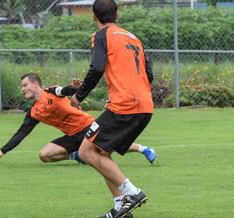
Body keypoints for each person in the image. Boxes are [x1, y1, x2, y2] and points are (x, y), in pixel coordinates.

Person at [68, 0, 155, 217]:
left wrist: (78, 97)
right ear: (117, 14)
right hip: (144, 104)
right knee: (102, 152)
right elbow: (149, 75)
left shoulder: (101, 35)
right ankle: (120, 208)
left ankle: (131, 192)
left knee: (85, 151)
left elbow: (97, 67)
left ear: (94, 16)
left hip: (126, 105)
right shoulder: (134, 38)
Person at [0, 73, 156, 169]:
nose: (22, 89)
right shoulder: (34, 111)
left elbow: (66, 90)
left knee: (108, 148)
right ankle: (76, 156)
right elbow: (22, 133)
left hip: (87, 126)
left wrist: (75, 88)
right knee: (44, 155)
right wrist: (3, 150)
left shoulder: (51, 92)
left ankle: (144, 149)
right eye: (22, 86)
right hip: (71, 135)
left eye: (25, 85)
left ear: (35, 84)